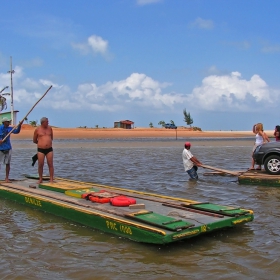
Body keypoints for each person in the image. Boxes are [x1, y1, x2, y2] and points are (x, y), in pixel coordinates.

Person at [0, 117, 23, 182]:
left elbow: (16, 131)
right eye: (8, 122)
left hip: (8, 147)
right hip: (1, 148)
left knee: (8, 163)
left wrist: (20, 125)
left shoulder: (9, 128)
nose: (9, 123)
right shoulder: (0, 128)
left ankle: (6, 178)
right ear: (4, 122)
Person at [33, 117, 54, 183]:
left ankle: (51, 179)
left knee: (50, 164)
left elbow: (51, 138)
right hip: (41, 149)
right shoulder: (37, 129)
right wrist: (40, 143)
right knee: (40, 164)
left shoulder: (50, 128)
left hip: (49, 149)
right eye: (47, 122)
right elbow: (34, 140)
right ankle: (40, 179)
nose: (48, 122)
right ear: (43, 122)